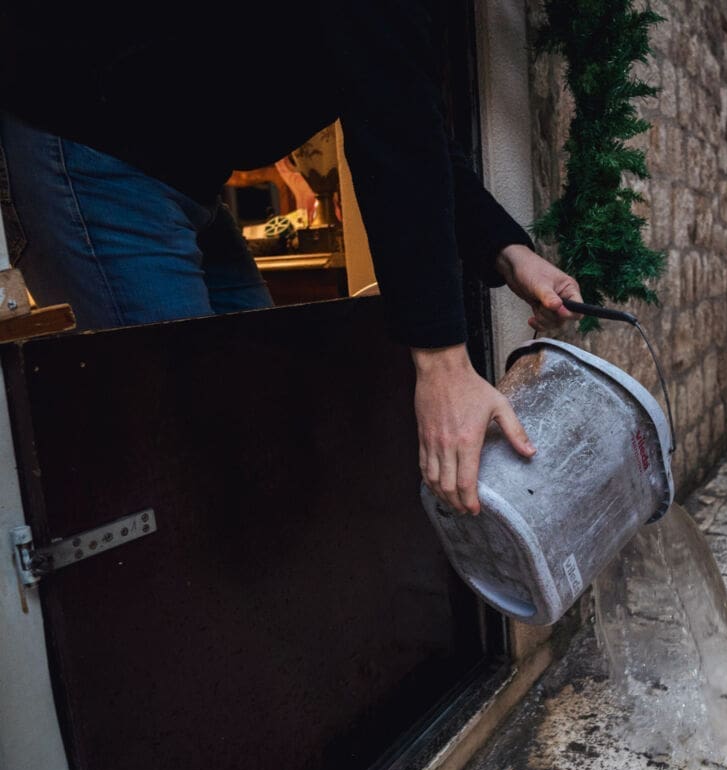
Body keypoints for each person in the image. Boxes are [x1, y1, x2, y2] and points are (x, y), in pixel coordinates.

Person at [0, 0, 582, 517]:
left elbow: (405, 106)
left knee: (259, 408)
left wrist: (509, 253)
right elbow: (393, 124)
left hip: (186, 168)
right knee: (189, 457)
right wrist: (443, 365)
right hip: (87, 137)